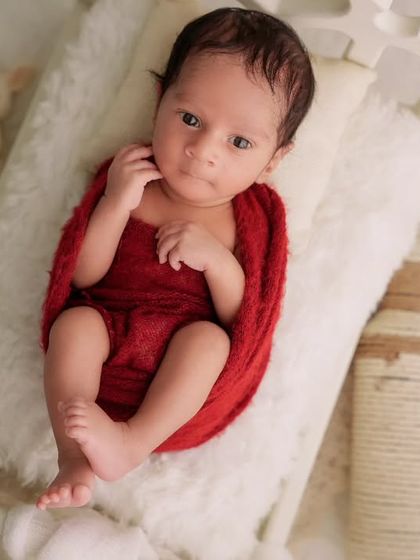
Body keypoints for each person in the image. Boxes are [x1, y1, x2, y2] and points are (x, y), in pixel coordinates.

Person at [36, 7, 315, 510]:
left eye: (239, 142)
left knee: (208, 341)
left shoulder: (254, 218)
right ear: (159, 100)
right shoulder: (128, 177)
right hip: (104, 339)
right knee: (73, 325)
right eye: (189, 119)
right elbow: (82, 276)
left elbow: (244, 321)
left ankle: (131, 444)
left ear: (273, 159)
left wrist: (218, 263)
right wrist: (116, 203)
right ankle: (72, 458)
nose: (202, 150)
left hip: (178, 380)